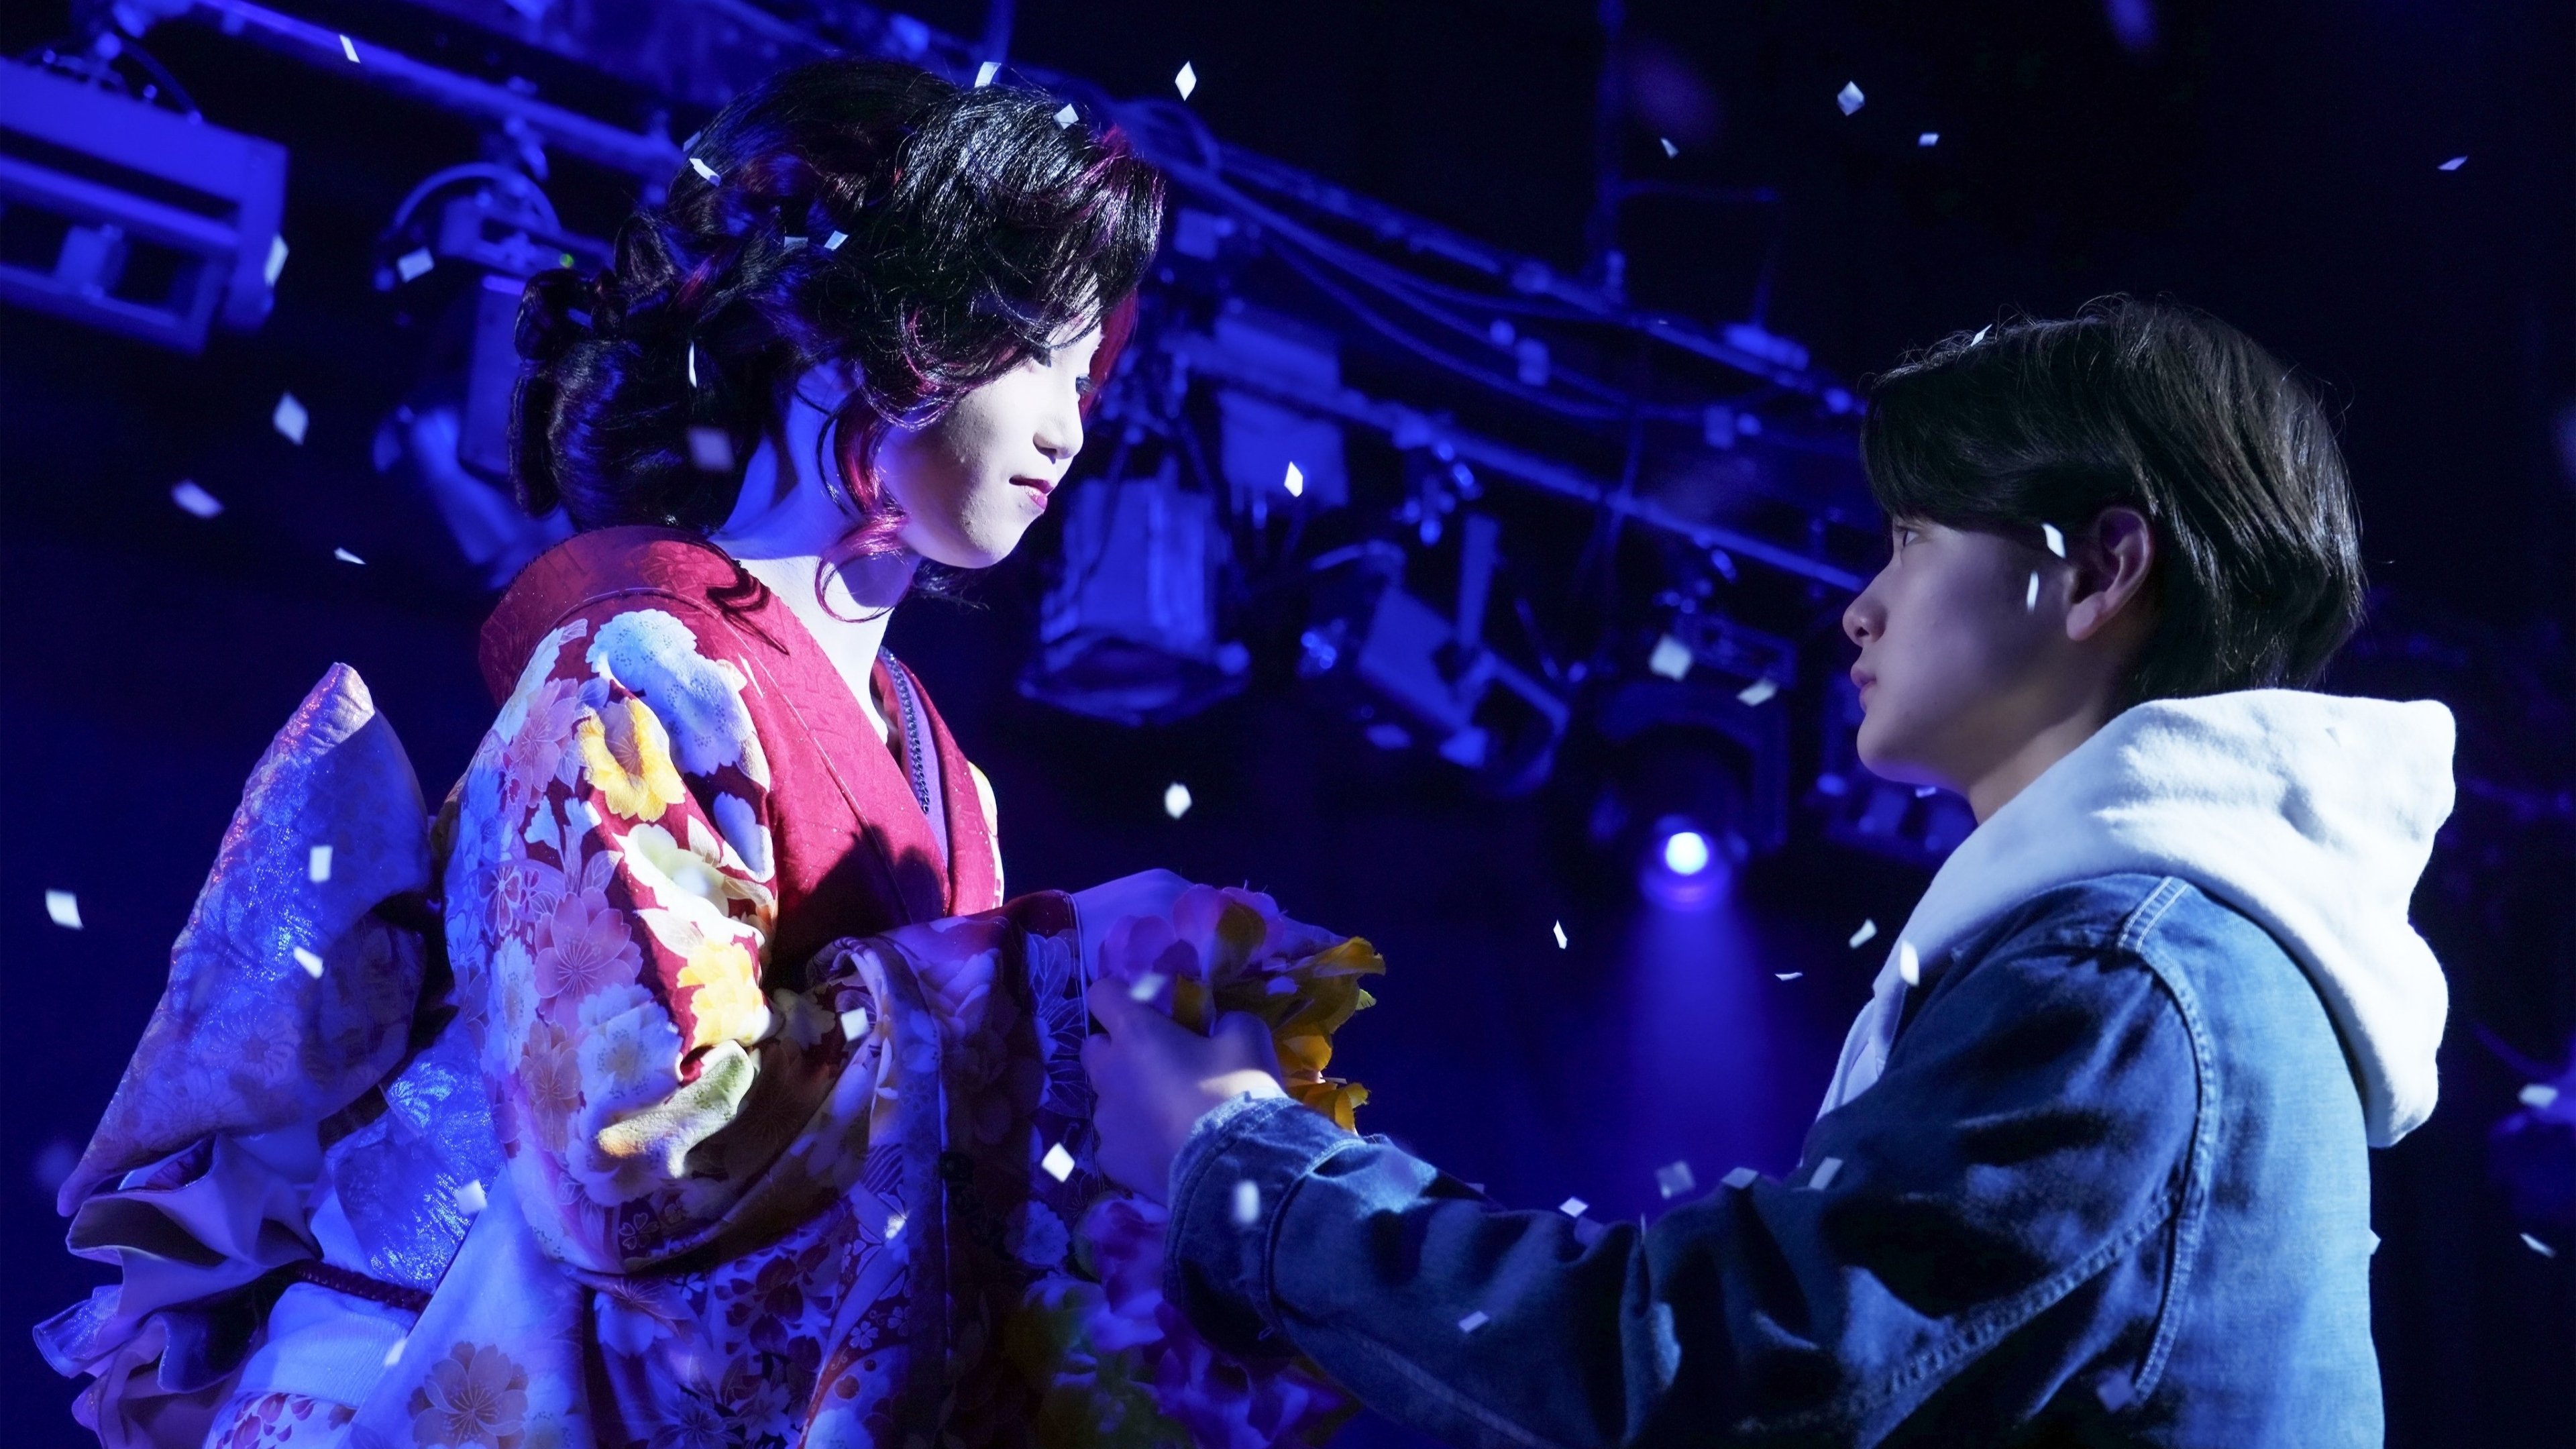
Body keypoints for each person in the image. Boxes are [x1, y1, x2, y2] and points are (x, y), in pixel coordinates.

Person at [44, 58, 1360, 1449]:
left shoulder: (947, 780)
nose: (1069, 422)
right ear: (849, 328)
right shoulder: (635, 669)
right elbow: (635, 1146)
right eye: (1034, 347)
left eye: (1088, 373)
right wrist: (1047, 989)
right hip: (438, 1367)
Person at [1083, 299, 2457, 1447]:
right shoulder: (2166, 965)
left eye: (1915, 540)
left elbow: (1713, 1376)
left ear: (2098, 571)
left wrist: (1241, 1166)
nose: (1860, 606)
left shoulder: (2123, 983)